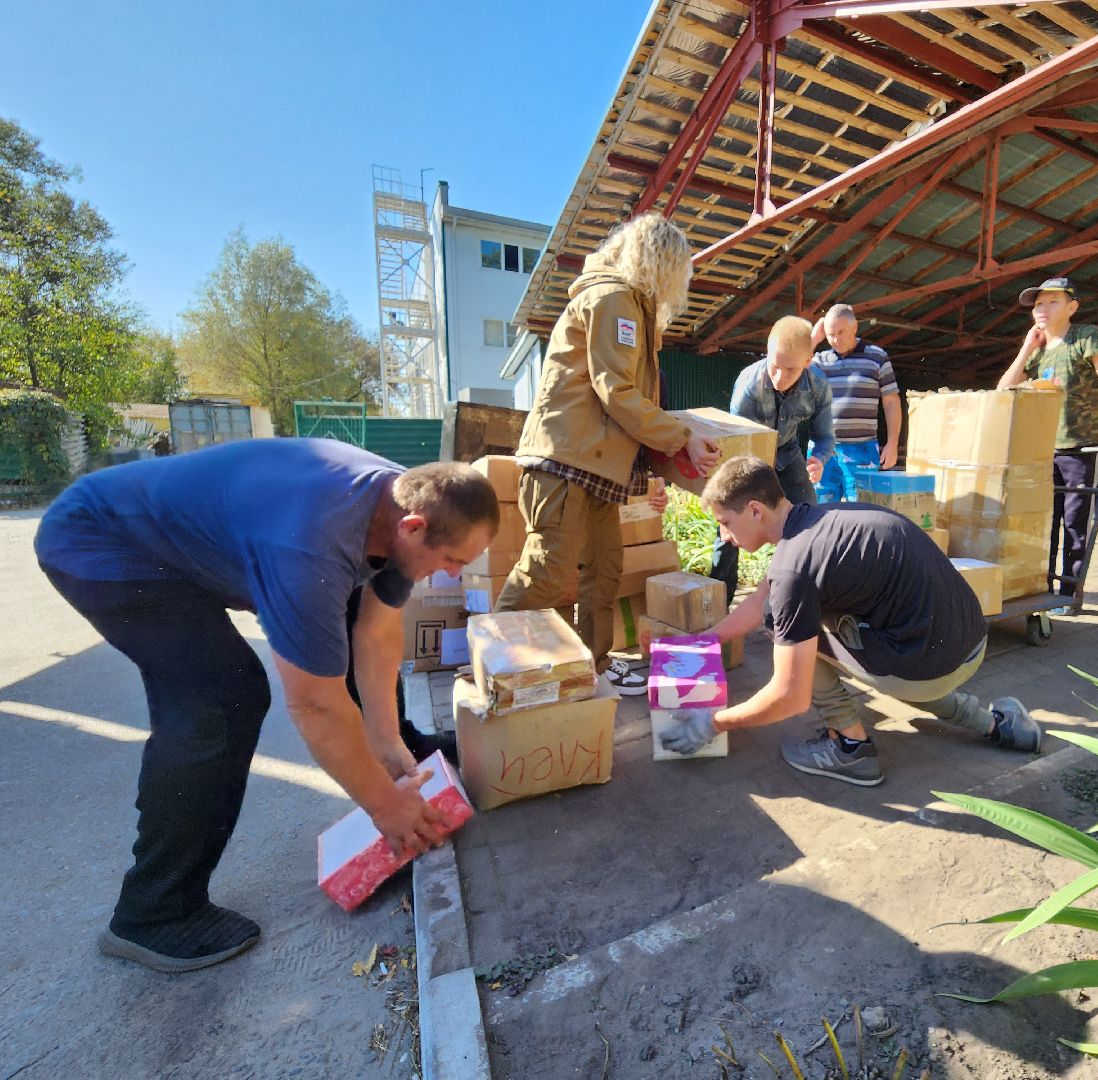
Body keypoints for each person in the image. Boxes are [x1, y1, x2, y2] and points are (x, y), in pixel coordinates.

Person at [33, 440, 500, 973]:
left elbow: (375, 632)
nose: (446, 576)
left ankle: (400, 761)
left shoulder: (406, 504)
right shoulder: (311, 549)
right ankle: (154, 912)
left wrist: (386, 738)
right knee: (220, 700)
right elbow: (315, 707)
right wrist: (383, 807)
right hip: (103, 543)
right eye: (450, 562)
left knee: (344, 616)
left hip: (207, 535)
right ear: (413, 527)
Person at [659, 456, 1041, 785]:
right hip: (968, 644)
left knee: (789, 628)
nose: (724, 536)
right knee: (799, 611)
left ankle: (851, 747)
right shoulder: (826, 518)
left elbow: (788, 697)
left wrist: (712, 724)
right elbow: (761, 595)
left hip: (928, 670)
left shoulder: (795, 568)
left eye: (726, 522)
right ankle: (995, 724)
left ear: (755, 510)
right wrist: (701, 642)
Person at [495, 212, 720, 695]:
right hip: (564, 460)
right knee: (548, 570)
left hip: (595, 465)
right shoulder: (614, 299)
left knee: (604, 571)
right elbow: (615, 392)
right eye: (677, 270)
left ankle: (589, 671)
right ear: (659, 263)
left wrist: (661, 457)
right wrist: (680, 437)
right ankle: (493, 665)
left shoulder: (631, 305)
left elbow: (625, 399)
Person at [996, 277, 1098, 588]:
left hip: (1082, 446)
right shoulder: (1039, 349)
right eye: (1038, 304)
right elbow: (1003, 391)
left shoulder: (1086, 337)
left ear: (1072, 307)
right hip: (1044, 449)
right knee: (1044, 522)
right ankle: (1041, 585)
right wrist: (1026, 348)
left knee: (1075, 523)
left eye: (1052, 302)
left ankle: (1070, 591)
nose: (1042, 309)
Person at [710, 315, 835, 605]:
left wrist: (818, 458)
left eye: (789, 369)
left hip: (788, 455)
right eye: (774, 365)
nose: (778, 376)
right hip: (748, 458)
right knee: (729, 528)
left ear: (807, 362)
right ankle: (718, 602)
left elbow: (826, 436)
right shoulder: (748, 387)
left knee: (810, 520)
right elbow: (737, 451)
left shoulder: (818, 386)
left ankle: (806, 597)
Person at [809, 304, 901, 502]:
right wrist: (813, 340)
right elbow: (791, 366)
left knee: (861, 510)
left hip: (862, 450)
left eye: (840, 332)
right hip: (823, 451)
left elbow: (891, 402)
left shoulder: (877, 357)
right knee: (819, 510)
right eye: (830, 334)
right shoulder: (818, 361)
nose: (835, 340)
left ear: (855, 327)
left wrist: (892, 443)